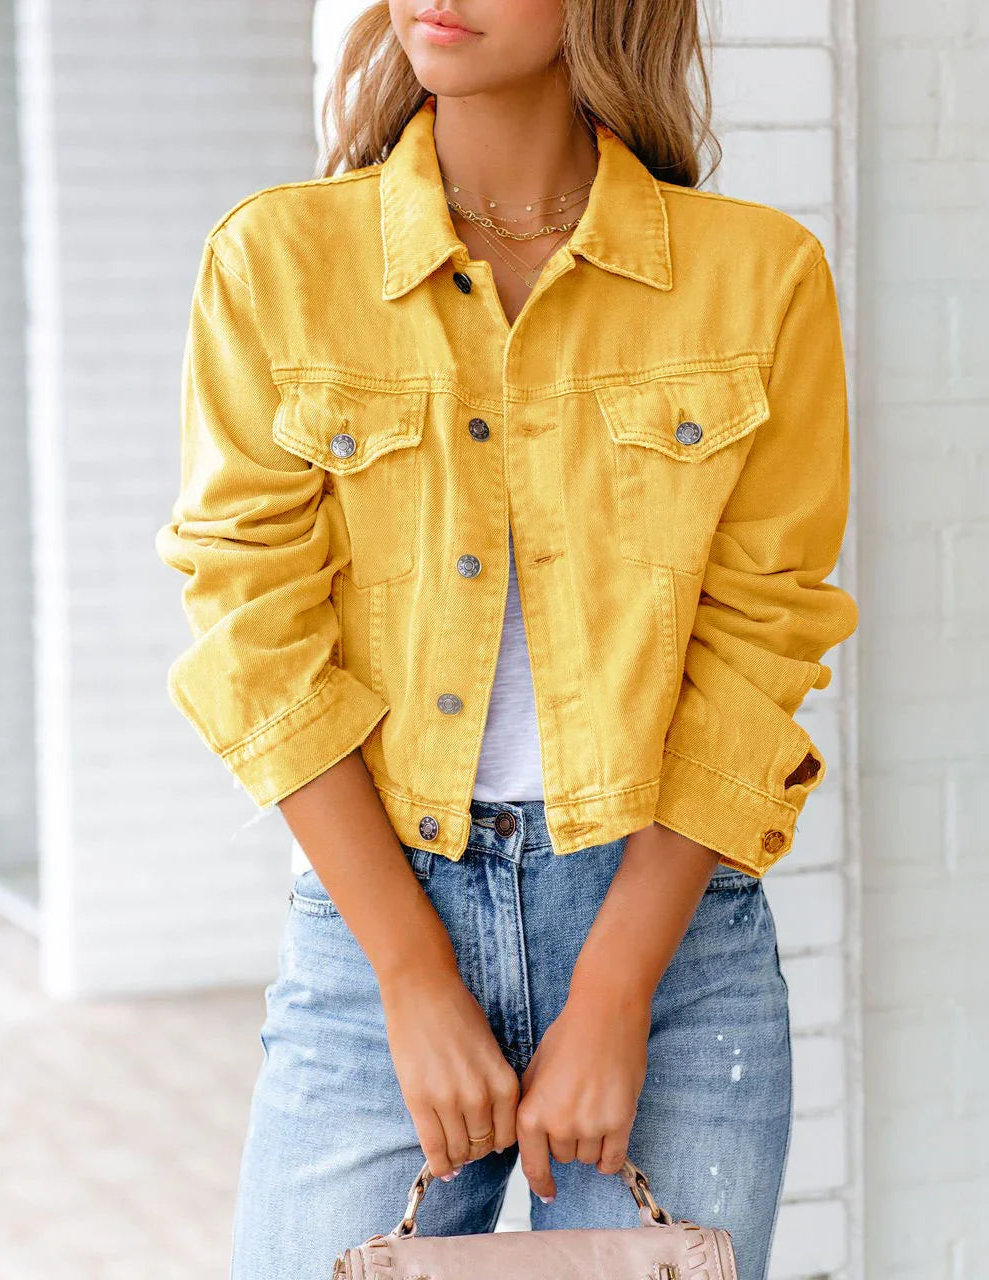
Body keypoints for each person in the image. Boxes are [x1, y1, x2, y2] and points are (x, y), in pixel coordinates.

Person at [155, 3, 858, 1278]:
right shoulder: (279, 262)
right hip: (381, 912)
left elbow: (763, 637)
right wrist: (415, 977)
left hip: (670, 937)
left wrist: (616, 988)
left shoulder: (758, 278)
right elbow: (252, 620)